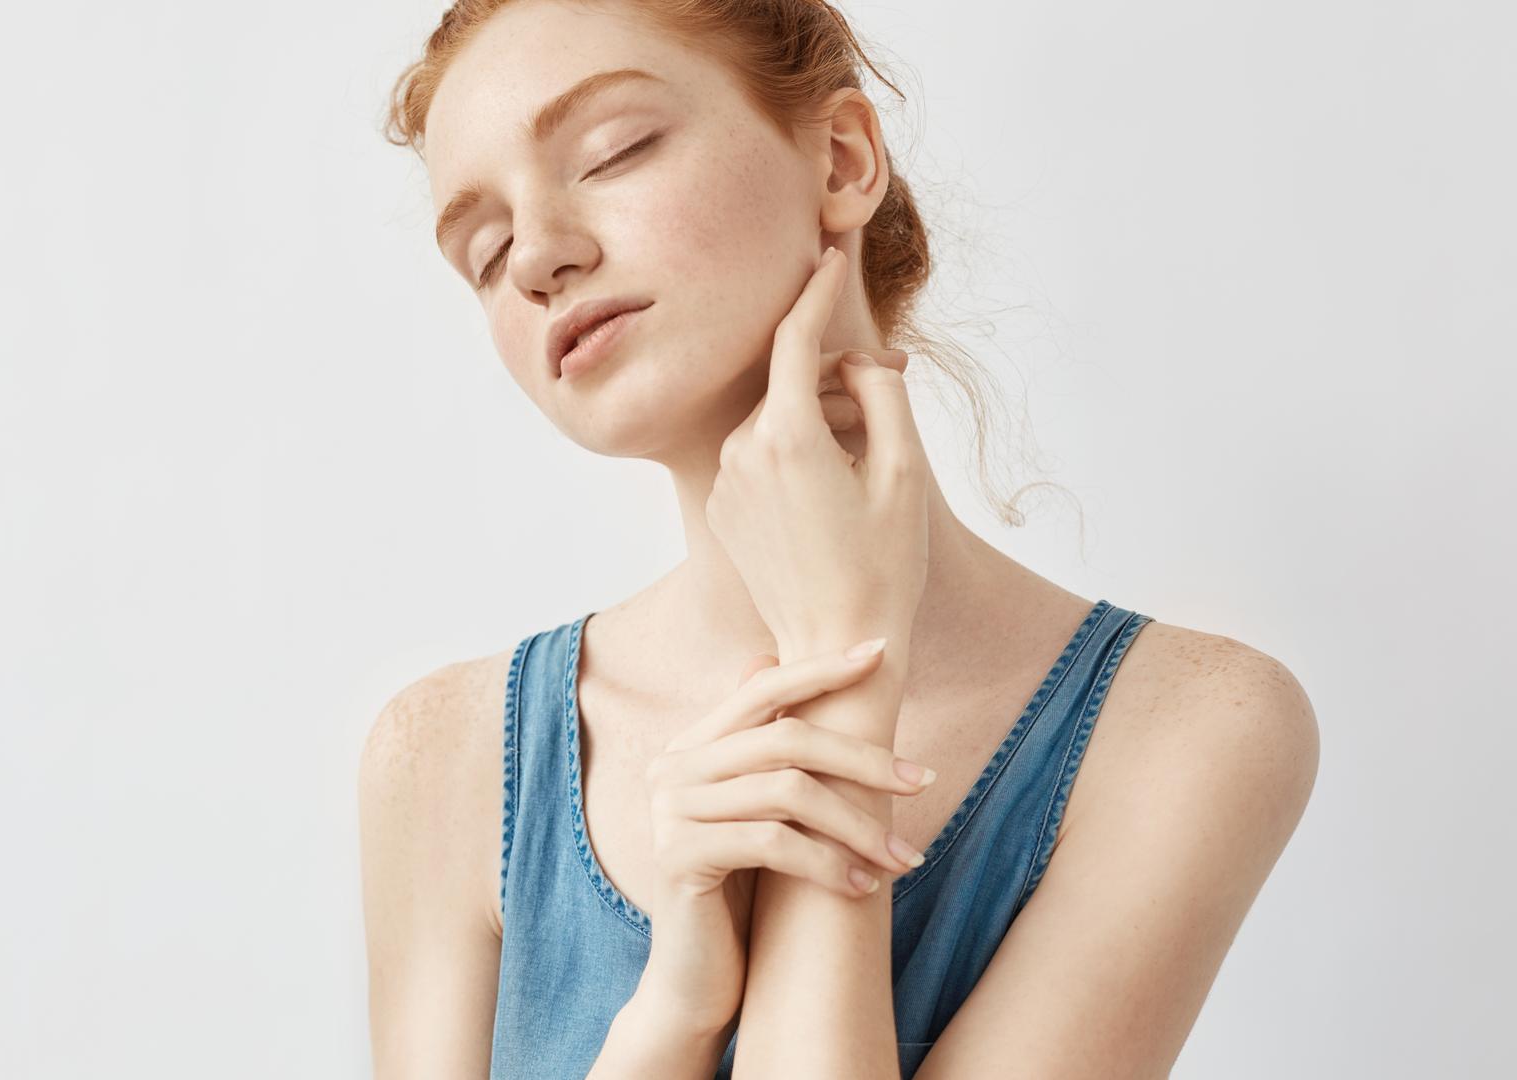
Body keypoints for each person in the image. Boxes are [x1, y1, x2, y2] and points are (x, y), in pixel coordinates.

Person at [358, 2, 1321, 1077]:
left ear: (843, 159)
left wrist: (838, 662)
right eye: (486, 254)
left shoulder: (1190, 725)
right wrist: (668, 1019)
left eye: (614, 151)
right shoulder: (442, 758)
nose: (537, 257)